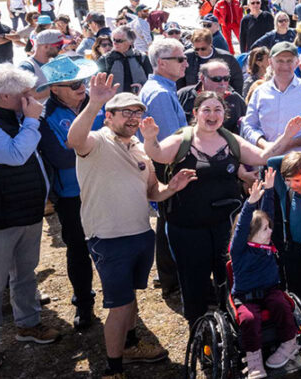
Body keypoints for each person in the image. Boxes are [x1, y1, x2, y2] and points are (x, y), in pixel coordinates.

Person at [68, 77, 188, 377]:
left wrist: (171, 187)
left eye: (137, 113)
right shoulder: (96, 141)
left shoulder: (138, 147)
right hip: (109, 238)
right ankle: (113, 369)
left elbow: (152, 192)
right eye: (126, 113)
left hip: (140, 234)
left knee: (131, 297)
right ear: (109, 117)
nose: (133, 118)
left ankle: (131, 344)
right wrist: (94, 101)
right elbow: (74, 140)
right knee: (119, 306)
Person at [0, 66, 60, 372]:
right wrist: (32, 119)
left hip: (25, 212)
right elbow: (15, 154)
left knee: (25, 274)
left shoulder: (12, 117)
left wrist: (29, 118)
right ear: (6, 95)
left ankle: (28, 325)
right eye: (24, 93)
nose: (30, 98)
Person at [36, 56, 101, 331]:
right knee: (77, 249)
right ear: (54, 88)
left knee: (110, 245)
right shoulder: (44, 116)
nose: (81, 87)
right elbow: (61, 159)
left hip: (103, 187)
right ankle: (84, 304)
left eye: (83, 81)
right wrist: (99, 148)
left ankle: (121, 304)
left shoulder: (98, 104)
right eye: (73, 83)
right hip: (72, 195)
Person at [229, 169, 299, 379]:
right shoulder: (239, 249)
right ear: (252, 235)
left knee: (282, 304)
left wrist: (269, 190)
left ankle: (289, 343)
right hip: (245, 296)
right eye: (265, 230)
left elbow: (268, 213)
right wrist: (250, 203)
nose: (271, 231)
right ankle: (254, 359)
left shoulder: (267, 245)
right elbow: (242, 227)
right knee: (249, 318)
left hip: (270, 290)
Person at [242, 42, 301, 155]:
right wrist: (266, 145)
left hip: (300, 161)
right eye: (280, 61)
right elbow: (249, 126)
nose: (285, 66)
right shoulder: (259, 92)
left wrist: (290, 143)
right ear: (270, 63)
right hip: (267, 160)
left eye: (289, 61)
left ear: (297, 63)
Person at [177, 59, 247, 133]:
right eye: (217, 79)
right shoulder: (184, 95)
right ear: (202, 78)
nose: (222, 83)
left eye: (226, 79)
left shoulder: (235, 99)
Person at [179, 28, 244, 95]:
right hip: (193, 97)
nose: (199, 51)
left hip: (220, 97)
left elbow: (237, 81)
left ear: (210, 44)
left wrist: (234, 98)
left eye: (203, 49)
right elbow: (179, 80)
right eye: (196, 49)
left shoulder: (227, 58)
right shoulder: (187, 57)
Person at [99, 26, 152, 94]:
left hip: (138, 100)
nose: (115, 43)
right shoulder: (105, 60)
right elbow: (97, 85)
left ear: (130, 42)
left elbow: (151, 81)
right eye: (113, 39)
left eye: (119, 41)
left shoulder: (141, 57)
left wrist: (143, 89)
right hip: (115, 102)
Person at [19, 28, 64, 100]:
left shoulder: (54, 61)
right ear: (46, 47)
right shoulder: (26, 67)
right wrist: (60, 88)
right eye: (59, 46)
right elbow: (25, 95)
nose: (61, 49)